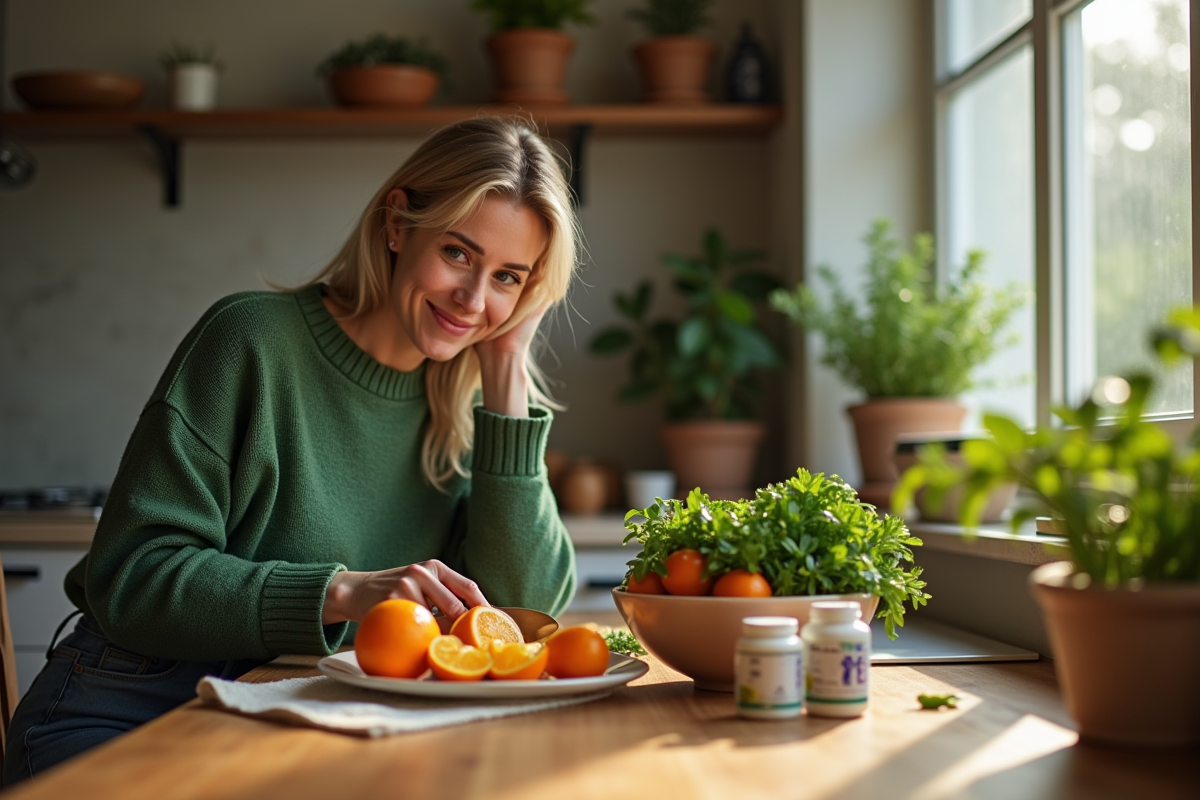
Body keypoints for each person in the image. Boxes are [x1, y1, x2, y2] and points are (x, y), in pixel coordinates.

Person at [3, 116, 581, 786]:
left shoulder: (470, 408)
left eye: (509, 277)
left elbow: (515, 620)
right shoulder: (250, 341)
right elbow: (132, 576)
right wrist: (341, 593)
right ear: (397, 224)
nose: (475, 300)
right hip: (130, 711)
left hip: (296, 732)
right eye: (458, 253)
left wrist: (508, 364)